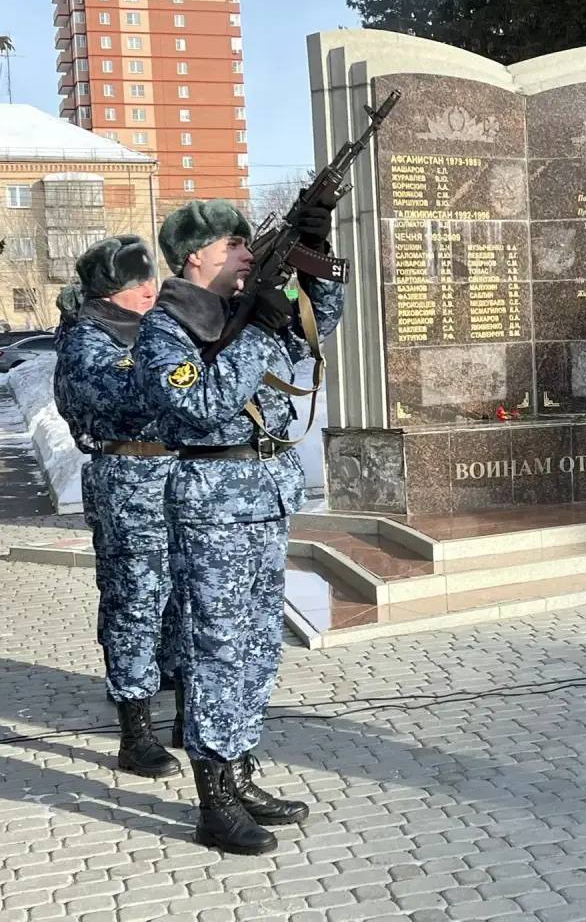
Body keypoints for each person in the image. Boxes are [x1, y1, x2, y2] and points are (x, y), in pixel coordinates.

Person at [133, 198, 341, 856]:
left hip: (262, 499)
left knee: (257, 647)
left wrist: (315, 254)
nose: (247, 253)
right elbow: (200, 404)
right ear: (196, 255)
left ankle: (240, 772)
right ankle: (213, 803)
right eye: (233, 244)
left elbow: (320, 325)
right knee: (215, 652)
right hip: (213, 503)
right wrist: (257, 330)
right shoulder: (165, 330)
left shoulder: (241, 310)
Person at [52, 235, 182, 778]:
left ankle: (182, 705)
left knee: (178, 597)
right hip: (128, 480)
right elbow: (138, 399)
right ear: (109, 291)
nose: (150, 289)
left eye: (150, 278)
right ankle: (136, 733)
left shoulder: (148, 330)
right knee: (135, 603)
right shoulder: (89, 343)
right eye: (136, 282)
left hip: (173, 478)